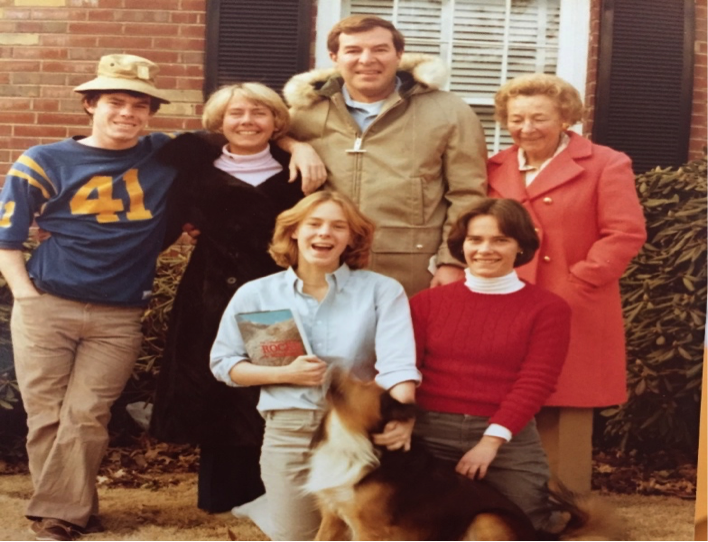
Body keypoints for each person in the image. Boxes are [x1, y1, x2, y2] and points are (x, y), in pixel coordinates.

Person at [0, 54, 177, 541]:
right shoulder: (44, 159)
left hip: (119, 314)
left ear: (150, 113)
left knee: (87, 413)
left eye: (139, 105)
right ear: (89, 104)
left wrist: (294, 144)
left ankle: (60, 514)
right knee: (46, 415)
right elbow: (6, 238)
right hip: (47, 303)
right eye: (115, 102)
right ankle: (68, 512)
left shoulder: (165, 155)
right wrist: (27, 298)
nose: (128, 113)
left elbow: (243, 133)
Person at [210, 191, 421, 541]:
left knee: (357, 533)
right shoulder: (256, 294)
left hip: (357, 433)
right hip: (289, 429)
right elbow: (224, 363)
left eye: (338, 226)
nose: (325, 233)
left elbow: (397, 366)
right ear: (294, 231)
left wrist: (403, 416)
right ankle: (270, 507)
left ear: (352, 238)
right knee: (298, 536)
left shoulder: (382, 291)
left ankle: (271, 506)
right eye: (315, 224)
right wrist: (283, 374)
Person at [149, 83, 312, 513]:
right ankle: (220, 495)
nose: (247, 122)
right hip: (211, 292)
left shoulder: (298, 171)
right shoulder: (195, 171)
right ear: (219, 122)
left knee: (273, 380)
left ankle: (271, 492)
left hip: (275, 291)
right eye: (236, 113)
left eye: (259, 113)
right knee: (218, 385)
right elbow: (159, 227)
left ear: (277, 122)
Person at [487, 73, 647, 492]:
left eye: (539, 118)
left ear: (565, 119)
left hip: (573, 304)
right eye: (516, 118)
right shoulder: (494, 166)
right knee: (506, 406)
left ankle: (567, 513)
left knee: (566, 408)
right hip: (505, 304)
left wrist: (578, 282)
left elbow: (625, 233)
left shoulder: (606, 163)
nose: (526, 128)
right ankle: (509, 510)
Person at [283, 14, 488, 296]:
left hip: (415, 272)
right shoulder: (306, 112)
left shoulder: (449, 111)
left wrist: (452, 261)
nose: (367, 60)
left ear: (399, 54)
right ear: (334, 57)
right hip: (326, 267)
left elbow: (468, 193)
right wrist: (295, 146)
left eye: (380, 49)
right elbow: (258, 137)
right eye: (353, 50)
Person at [410, 197, 571, 531]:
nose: (485, 250)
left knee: (529, 526)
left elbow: (536, 380)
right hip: (428, 431)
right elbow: (405, 369)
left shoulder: (548, 309)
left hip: (506, 435)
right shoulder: (426, 303)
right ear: (462, 245)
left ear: (520, 246)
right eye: (475, 239)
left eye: (500, 240)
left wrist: (490, 443)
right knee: (420, 524)